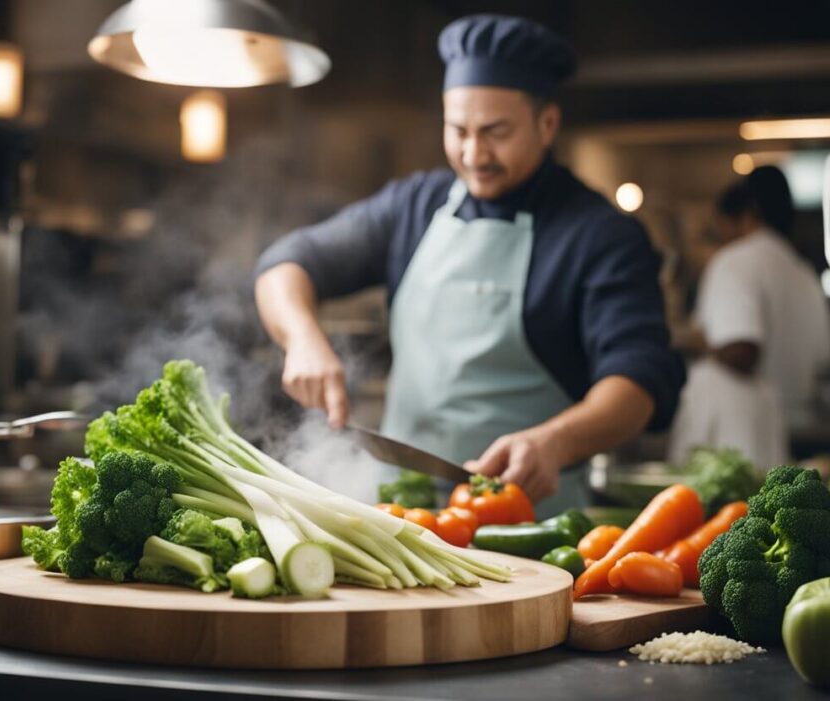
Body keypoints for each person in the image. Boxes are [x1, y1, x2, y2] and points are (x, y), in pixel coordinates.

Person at [253, 14, 685, 514]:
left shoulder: (599, 234)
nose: (473, 153)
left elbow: (639, 381)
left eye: (496, 132)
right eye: (458, 130)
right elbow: (287, 263)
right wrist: (302, 338)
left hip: (529, 526)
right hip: (400, 519)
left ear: (547, 124)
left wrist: (555, 442)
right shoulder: (413, 205)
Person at [668, 166, 830, 468]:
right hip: (794, 432)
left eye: (721, 226)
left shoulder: (735, 262)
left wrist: (691, 340)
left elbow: (742, 349)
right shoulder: (803, 273)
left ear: (745, 214)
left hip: (737, 442)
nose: (721, 237)